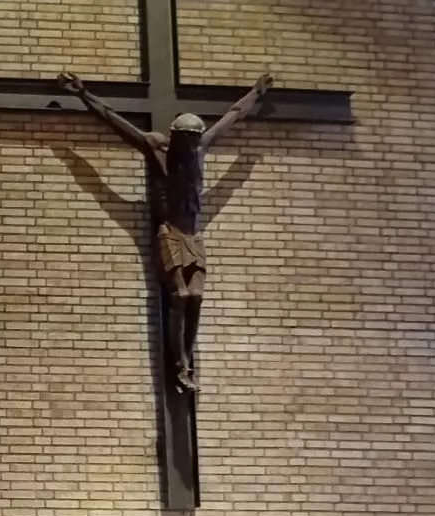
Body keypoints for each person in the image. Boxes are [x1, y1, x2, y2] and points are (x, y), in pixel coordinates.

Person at [56, 70, 273, 392]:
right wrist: (83, 94)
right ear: (175, 137)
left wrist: (256, 92)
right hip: (169, 231)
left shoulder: (200, 150)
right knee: (181, 295)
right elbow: (113, 121)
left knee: (197, 295)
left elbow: (233, 115)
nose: (191, 146)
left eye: (194, 140)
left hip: (192, 235)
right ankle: (179, 364)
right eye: (185, 140)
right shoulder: (155, 149)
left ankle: (187, 359)